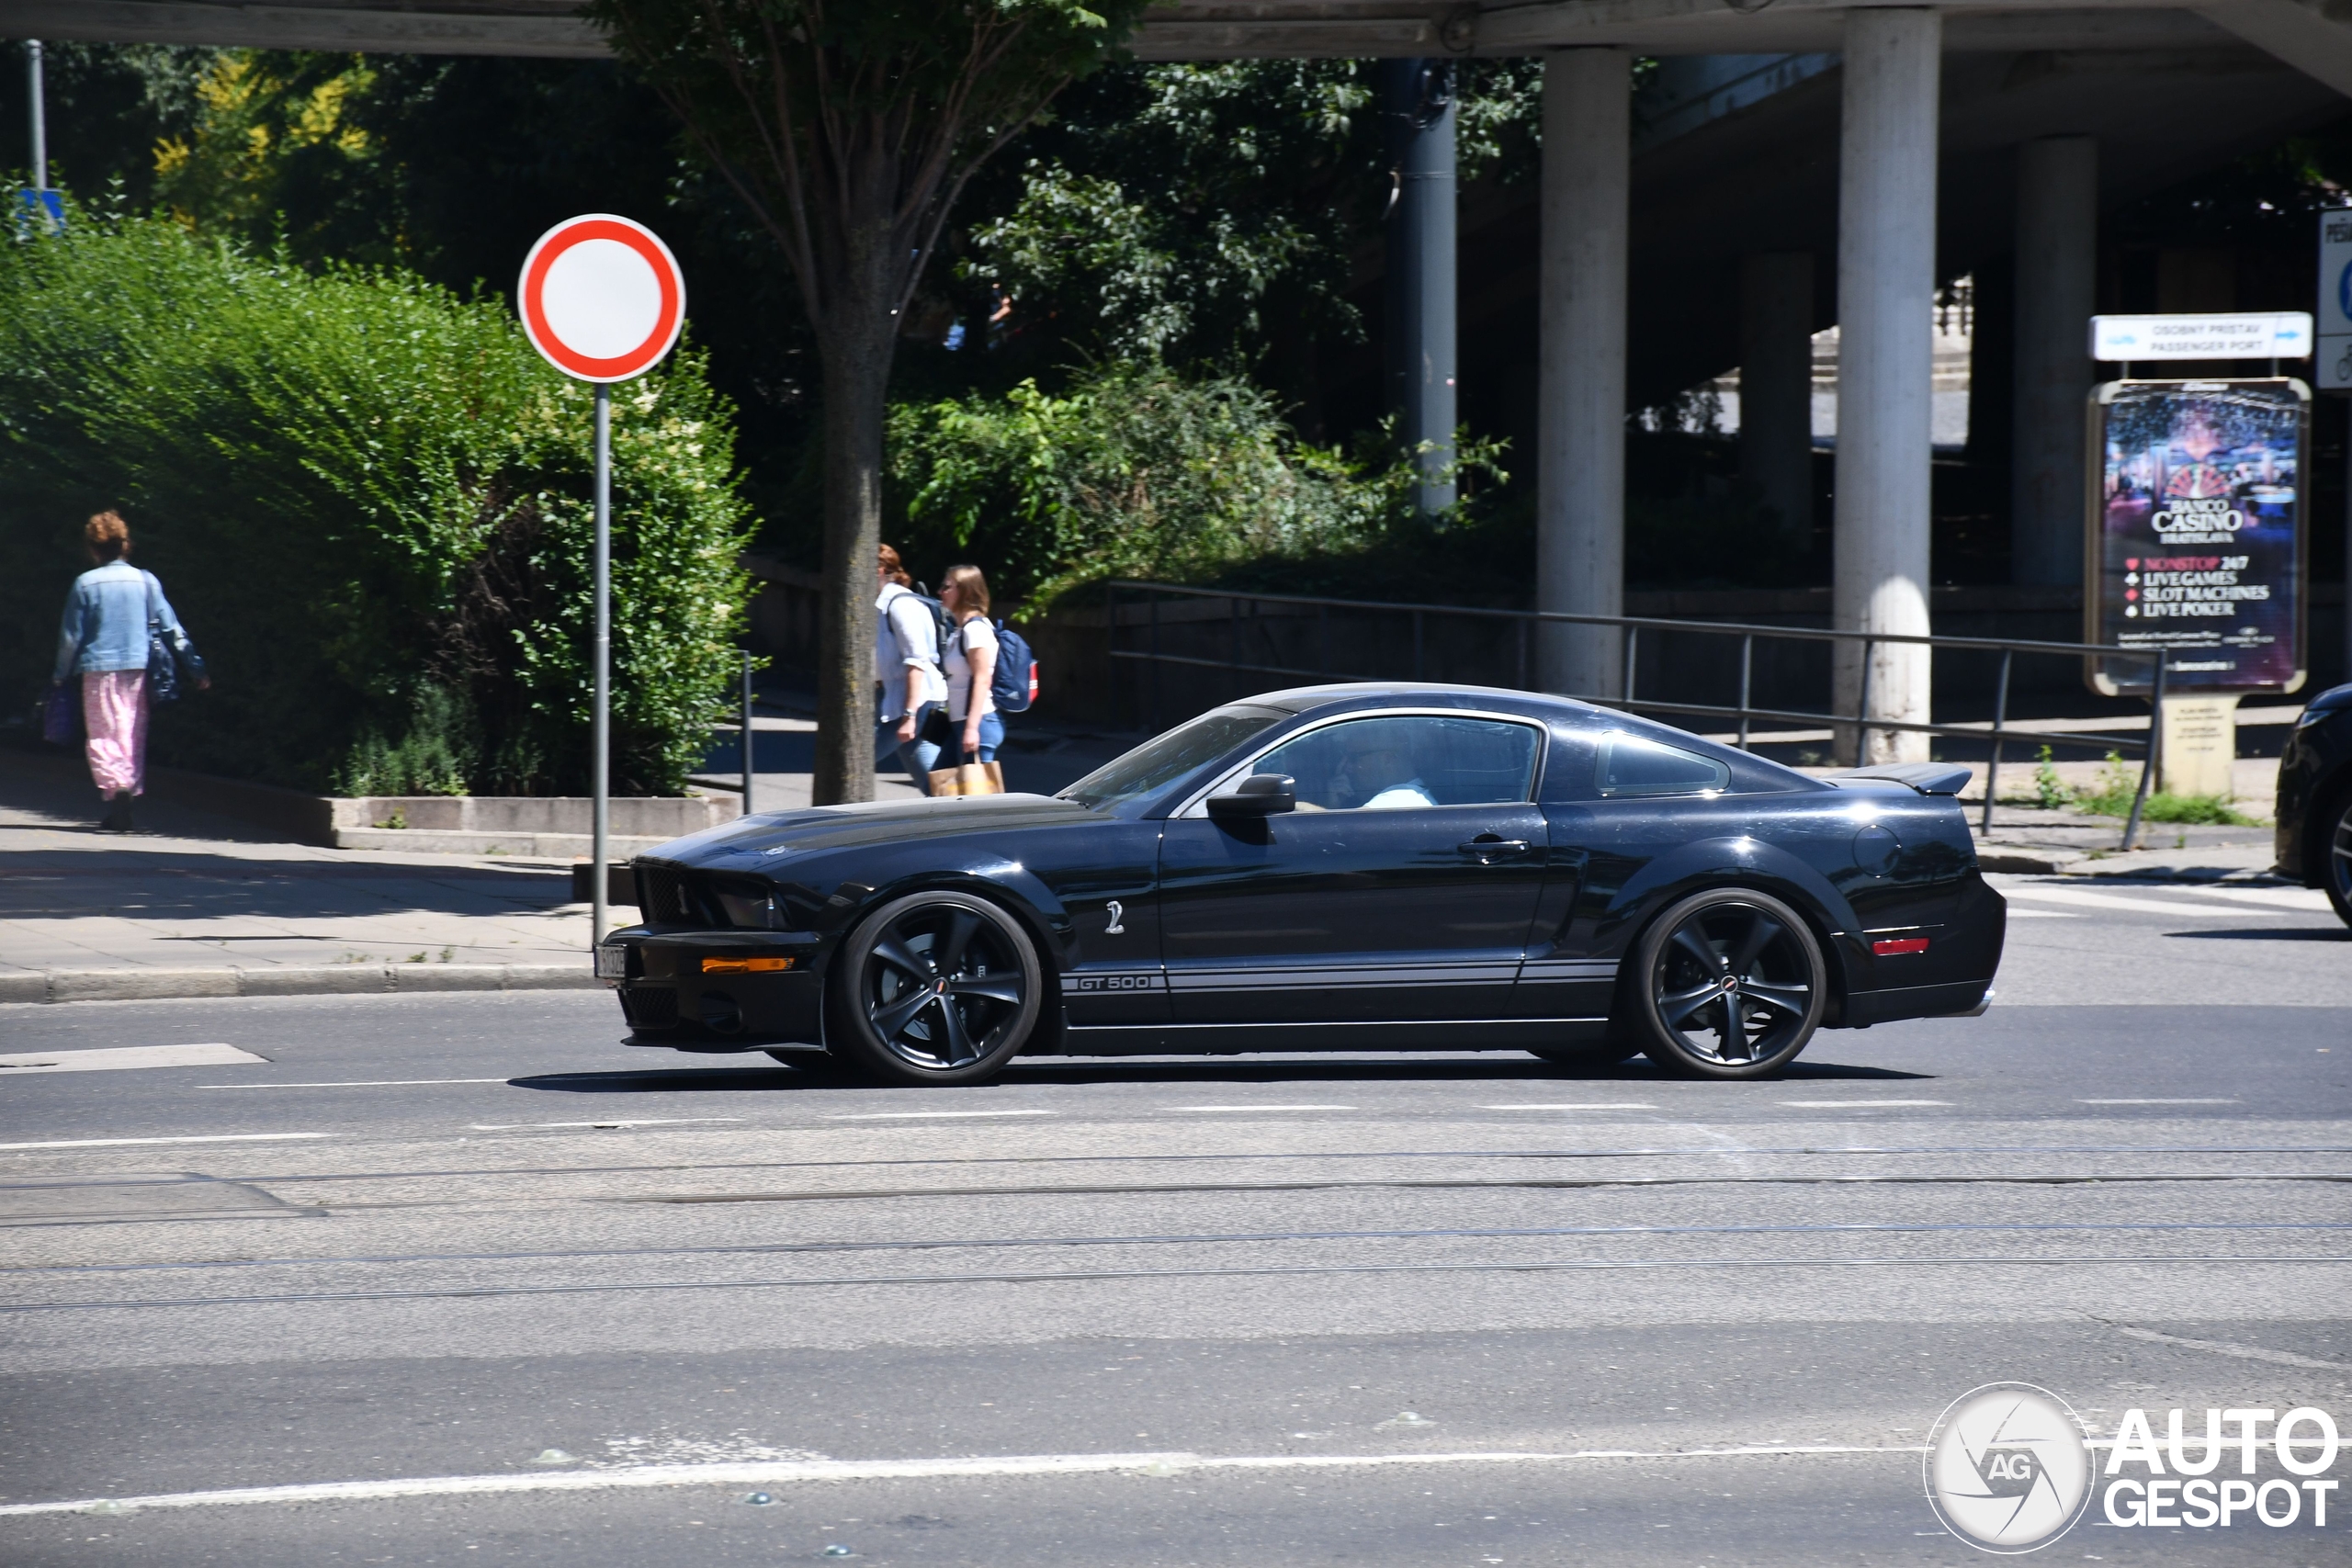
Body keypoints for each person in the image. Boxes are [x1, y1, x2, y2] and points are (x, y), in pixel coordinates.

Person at [51, 511, 204, 831]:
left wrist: (60, 673)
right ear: (125, 545)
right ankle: (125, 798)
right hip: (139, 670)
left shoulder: (85, 584)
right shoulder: (147, 581)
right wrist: (196, 668)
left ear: (93, 549)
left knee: (103, 736)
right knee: (131, 734)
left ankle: (116, 786)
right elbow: (171, 629)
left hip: (98, 669)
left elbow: (71, 637)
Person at [874, 544, 946, 793]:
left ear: (879, 570)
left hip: (914, 701)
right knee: (933, 780)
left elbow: (917, 661)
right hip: (904, 700)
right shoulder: (886, 604)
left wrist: (909, 716)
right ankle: (959, 817)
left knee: (857, 758)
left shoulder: (900, 606)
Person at [939, 564, 1003, 790]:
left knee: (977, 798)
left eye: (947, 587)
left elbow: (982, 679)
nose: (941, 592)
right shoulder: (961, 630)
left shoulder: (975, 630)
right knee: (939, 787)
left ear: (965, 591)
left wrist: (971, 728)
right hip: (961, 723)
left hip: (978, 724)